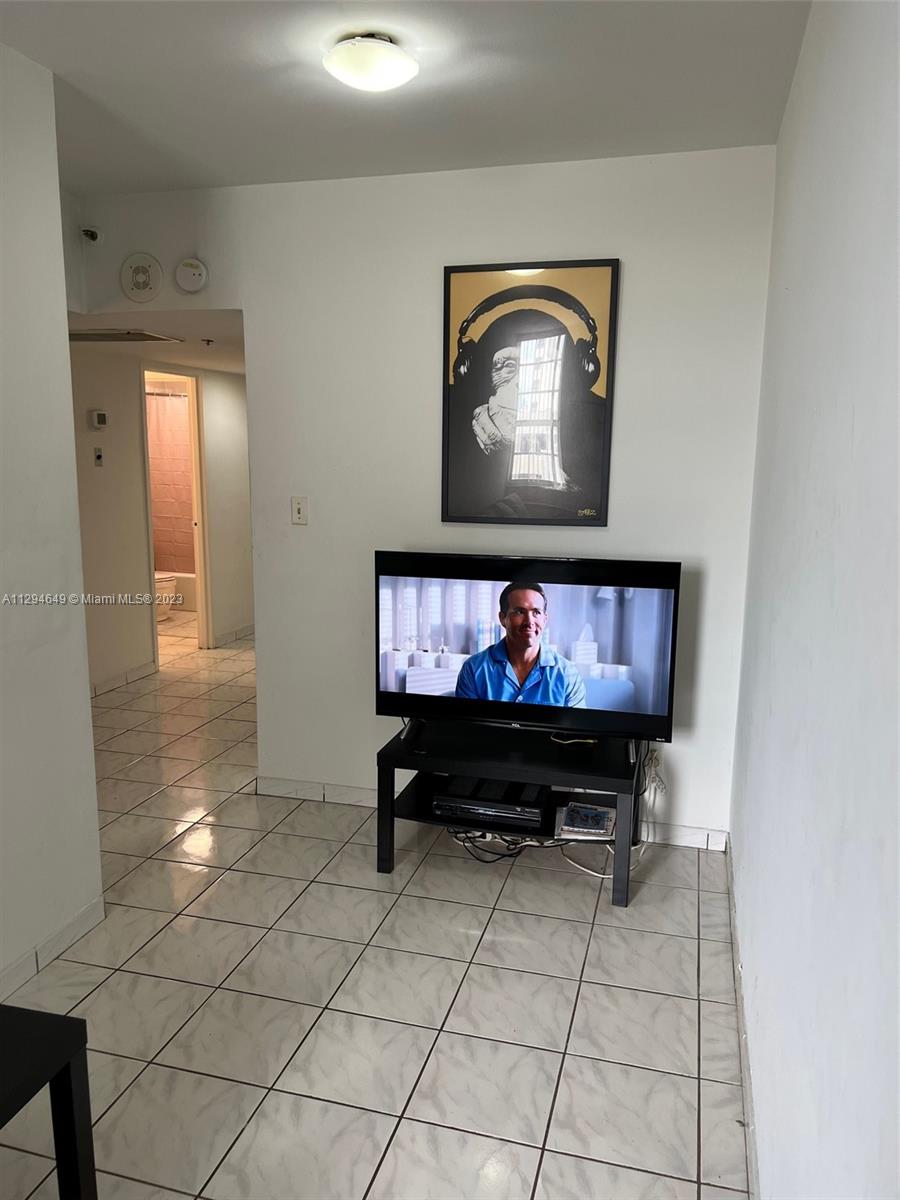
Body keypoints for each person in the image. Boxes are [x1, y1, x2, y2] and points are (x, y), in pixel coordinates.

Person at [455, 582, 586, 707]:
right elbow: (467, 726)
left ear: (545, 619)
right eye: (519, 612)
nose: (529, 621)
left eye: (536, 612)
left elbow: (574, 728)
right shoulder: (473, 669)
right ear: (502, 618)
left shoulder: (568, 674)